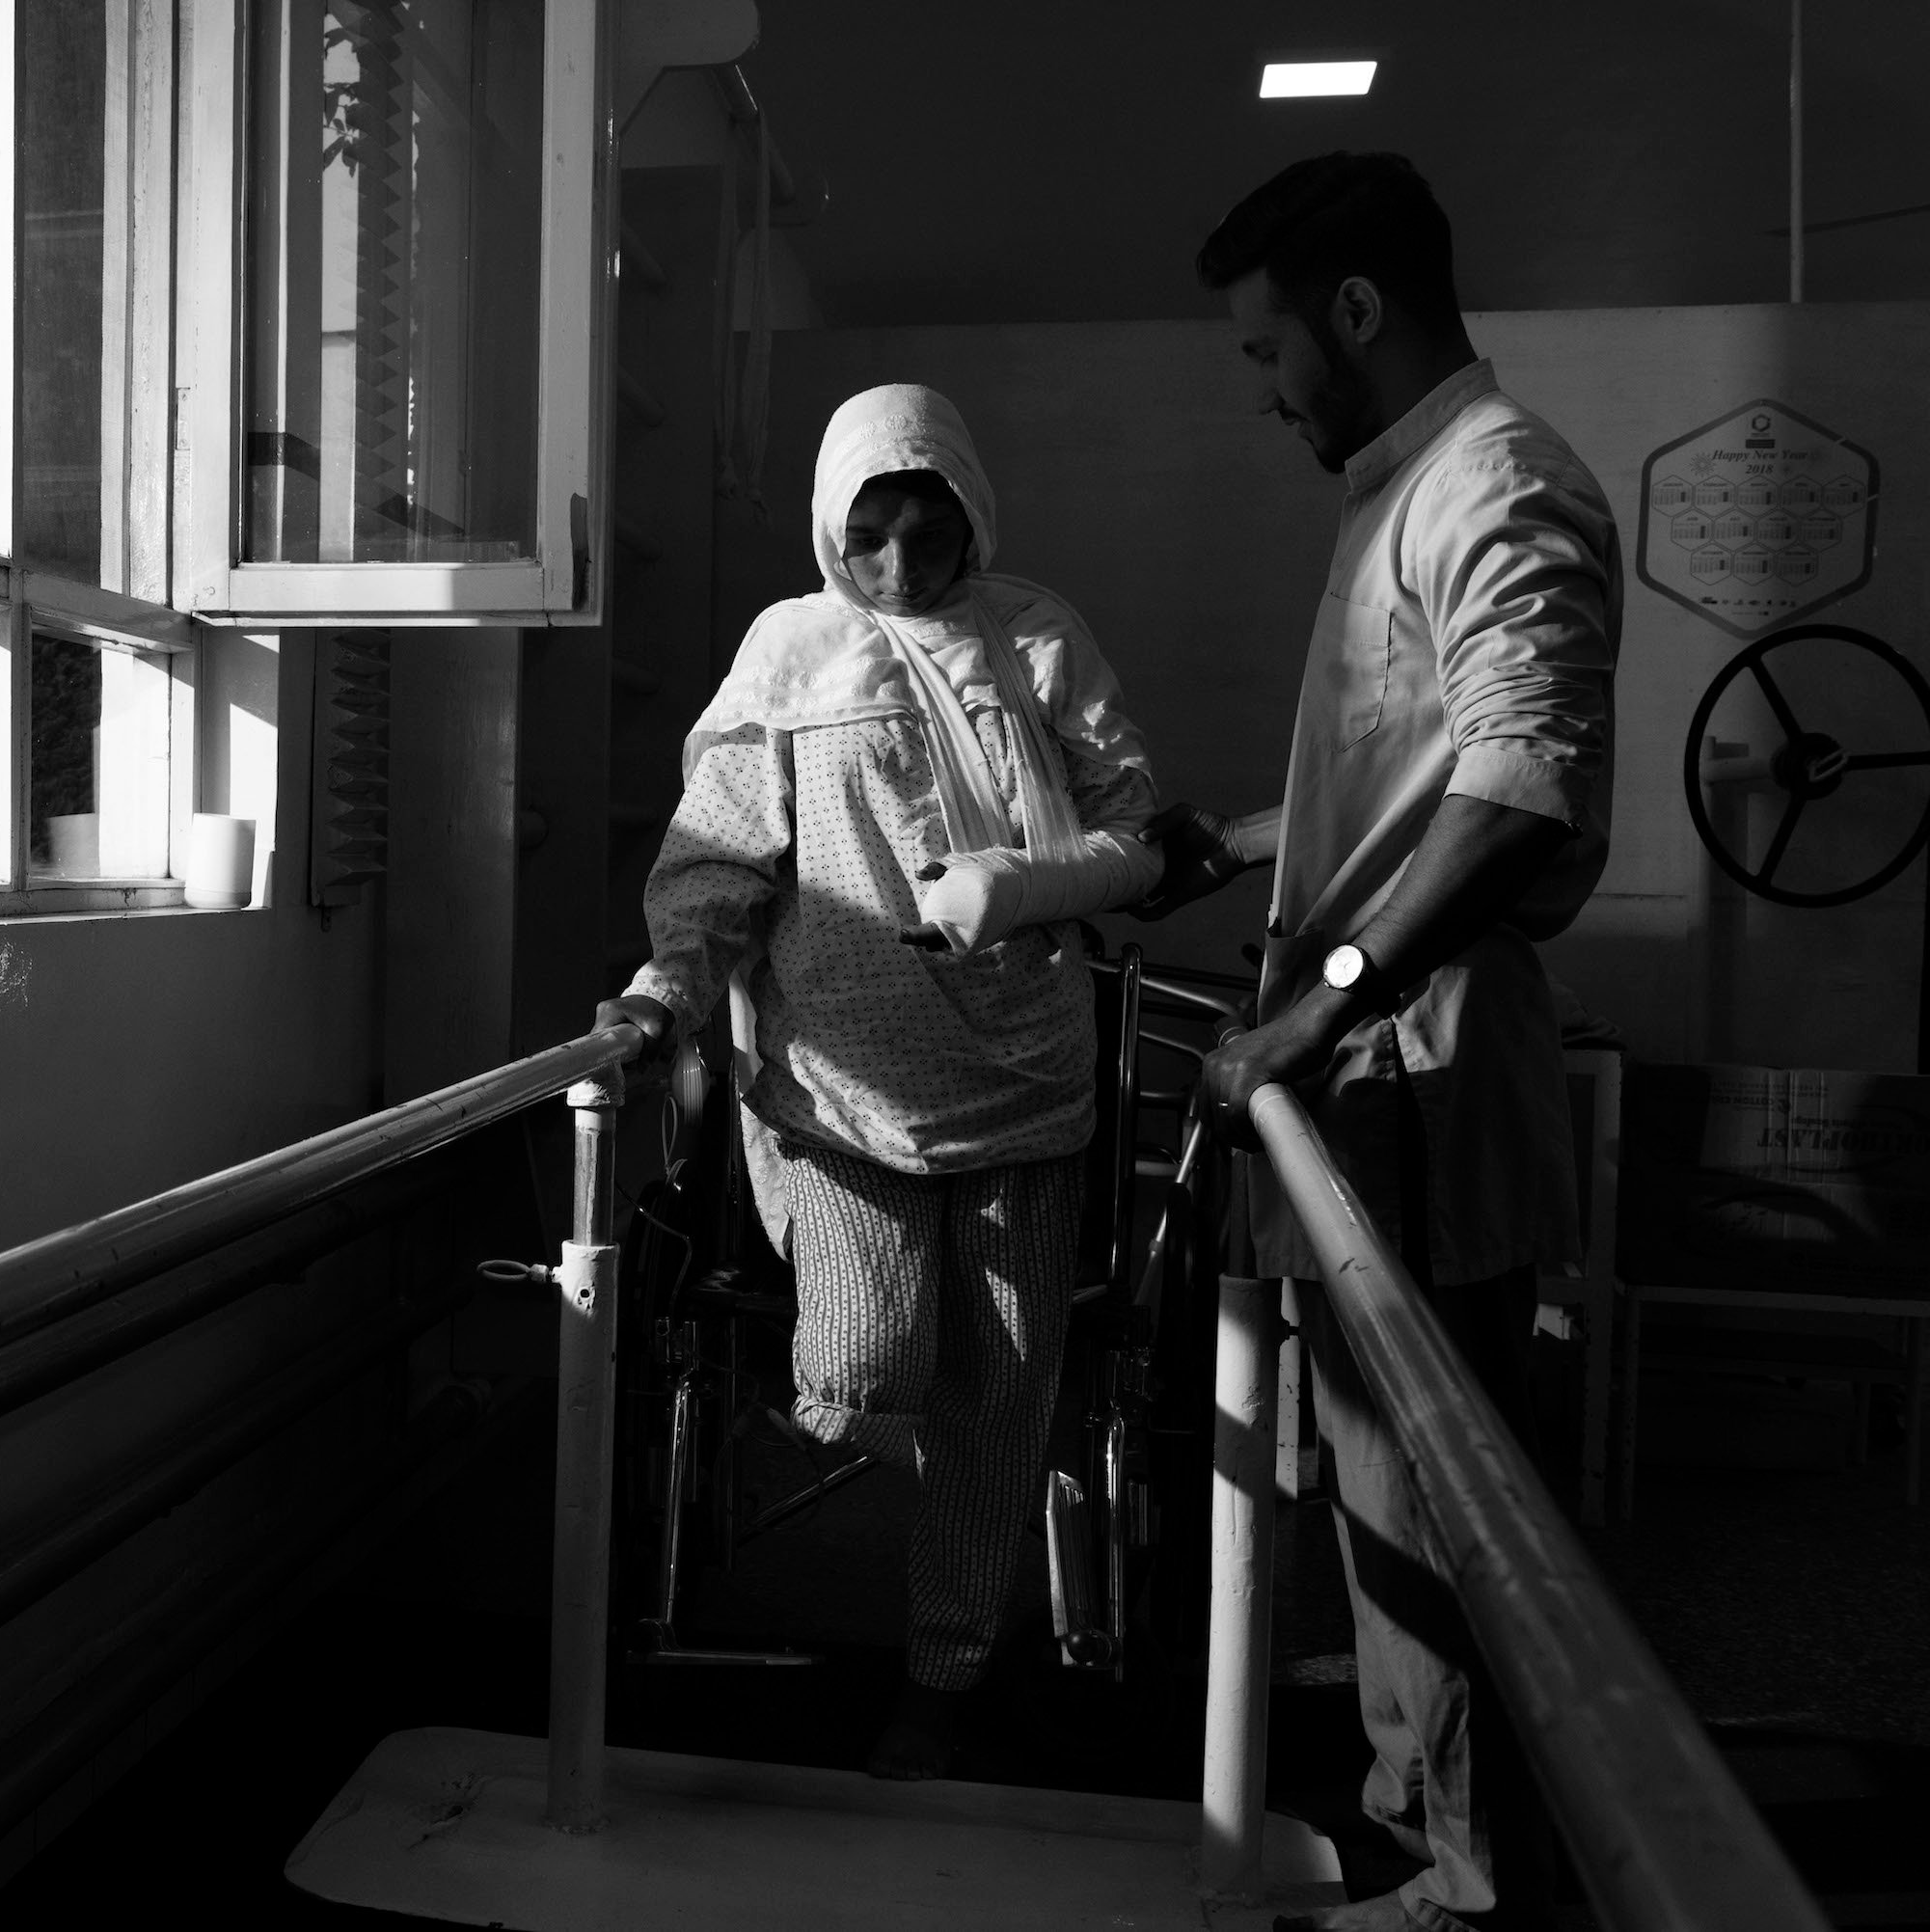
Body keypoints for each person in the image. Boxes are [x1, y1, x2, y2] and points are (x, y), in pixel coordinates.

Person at [1140, 152, 1619, 1932]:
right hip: (1376, 1078)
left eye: (1268, 350)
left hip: (1416, 1071)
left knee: (1443, 1506)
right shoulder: (1399, 492)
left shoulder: (1494, 480)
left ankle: (1482, 1892)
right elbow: (1418, 778)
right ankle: (1435, 1847)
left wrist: (1305, 1019)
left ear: (1355, 310)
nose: (1263, 391)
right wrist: (1248, 844)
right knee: (1382, 1492)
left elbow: (1517, 787)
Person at [598, 384, 1162, 1779]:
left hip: (1026, 1089)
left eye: (931, 531)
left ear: (973, 513)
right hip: (839, 1101)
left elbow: (1131, 827)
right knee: (861, 1373)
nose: (903, 569)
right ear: (828, 530)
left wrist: (1029, 878)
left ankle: (946, 1675)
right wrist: (667, 992)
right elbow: (720, 859)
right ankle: (852, 1557)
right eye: (871, 538)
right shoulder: (793, 651)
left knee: (999, 1408)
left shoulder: (1036, 635)